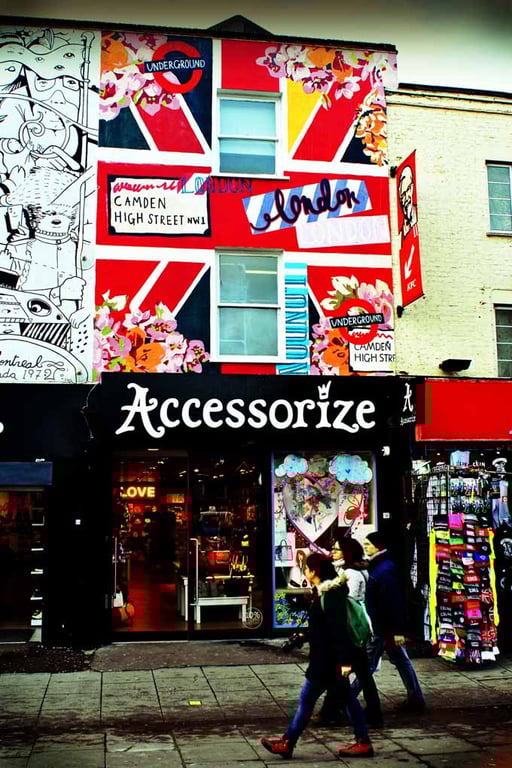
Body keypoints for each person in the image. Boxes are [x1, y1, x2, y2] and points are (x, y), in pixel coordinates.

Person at [261, 553, 374, 760]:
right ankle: (363, 742)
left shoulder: (330, 597)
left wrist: (345, 662)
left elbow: (339, 630)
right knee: (347, 700)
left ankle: (288, 742)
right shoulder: (326, 594)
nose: (305, 571)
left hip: (327, 661)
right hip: (328, 659)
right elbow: (324, 628)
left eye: (306, 568)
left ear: (314, 571)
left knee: (308, 699)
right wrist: (303, 637)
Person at [353, 530, 426, 713]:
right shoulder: (379, 565)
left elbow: (393, 601)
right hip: (384, 625)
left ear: (378, 547)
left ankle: (345, 700)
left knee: (368, 664)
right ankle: (415, 697)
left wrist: (398, 630)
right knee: (400, 659)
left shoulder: (384, 569)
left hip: (382, 626)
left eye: (368, 544)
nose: (365, 547)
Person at [316, 536, 383, 728]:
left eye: (337, 549)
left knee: (348, 671)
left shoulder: (351, 573)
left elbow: (349, 601)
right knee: (363, 673)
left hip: (352, 627)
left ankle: (332, 710)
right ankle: (369, 713)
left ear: (346, 553)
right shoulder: (356, 570)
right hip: (358, 625)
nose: (333, 552)